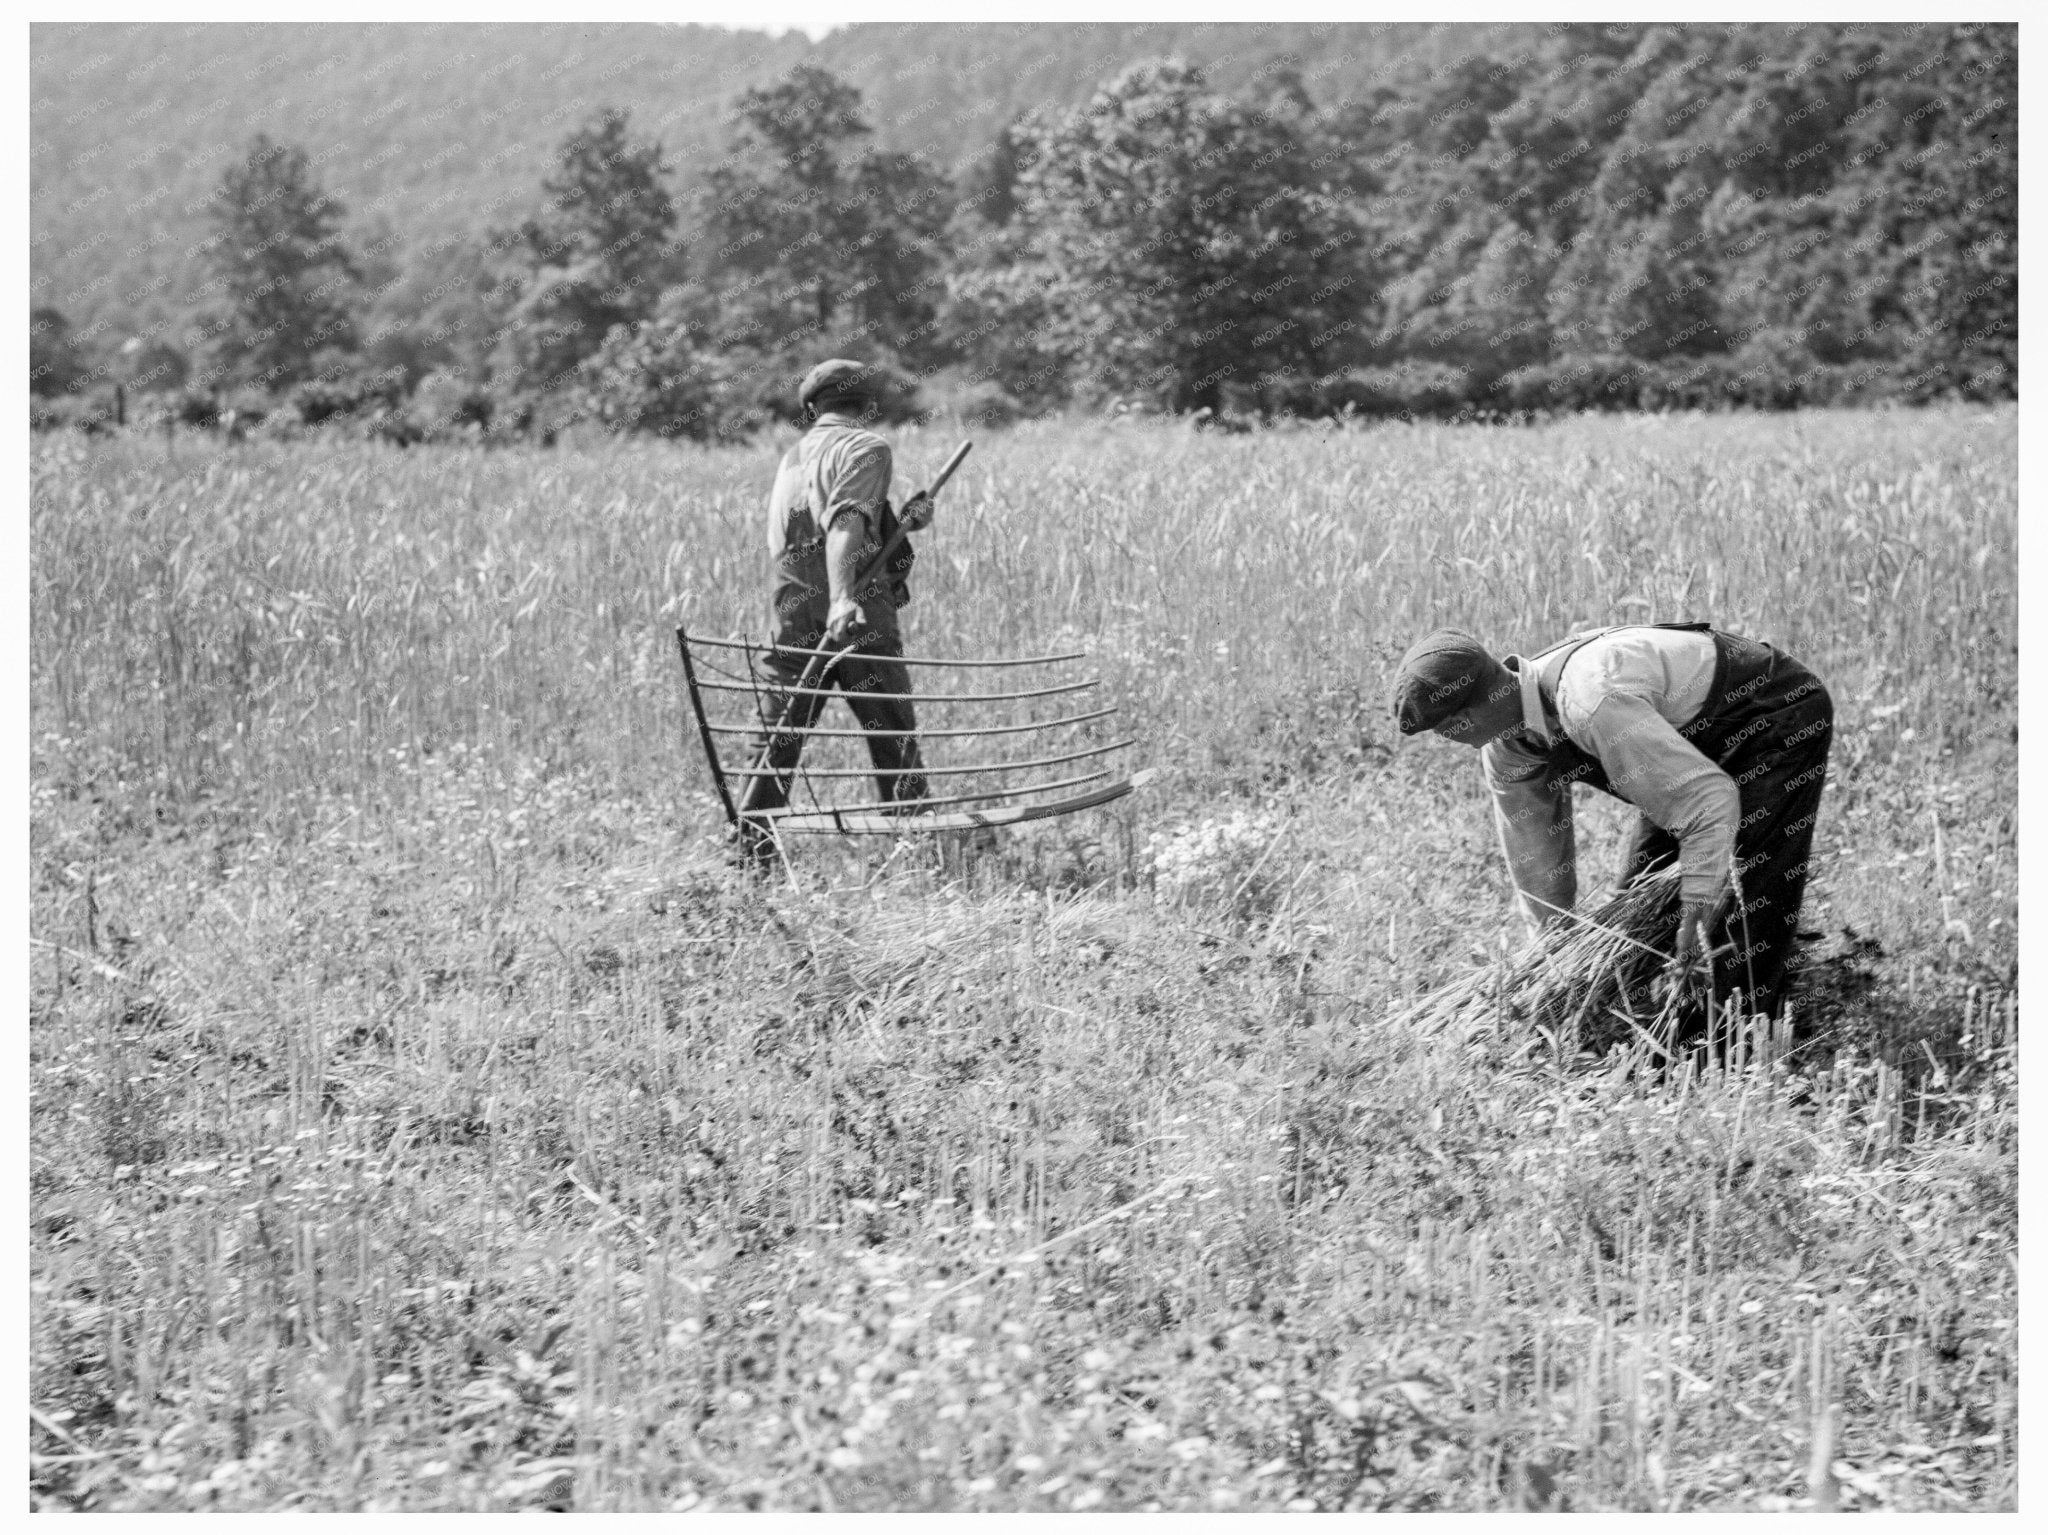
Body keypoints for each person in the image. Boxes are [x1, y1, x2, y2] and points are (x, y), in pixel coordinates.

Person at [1390, 622, 1833, 1020]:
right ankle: (1653, 1015)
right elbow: (1537, 860)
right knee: (1639, 902)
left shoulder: (1590, 701)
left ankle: (1735, 1043)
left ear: (1465, 715)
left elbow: (1707, 803)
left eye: (1445, 728)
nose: (1448, 740)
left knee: (1744, 898)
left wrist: (1696, 915)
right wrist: (1556, 960)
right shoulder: (1509, 746)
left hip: (1772, 714)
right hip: (1682, 741)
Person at [733, 359, 933, 864]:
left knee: (778, 738)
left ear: (810, 407)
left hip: (793, 616)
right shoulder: (865, 446)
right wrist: (844, 597)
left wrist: (902, 525)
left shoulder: (793, 458)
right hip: (856, 618)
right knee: (892, 734)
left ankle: (748, 856)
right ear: (867, 405)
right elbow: (844, 521)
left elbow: (814, 528)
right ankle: (913, 849)